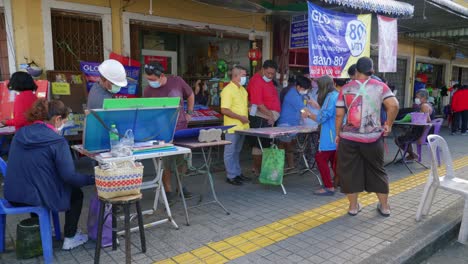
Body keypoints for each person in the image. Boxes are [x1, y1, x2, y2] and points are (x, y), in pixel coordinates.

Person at [4, 99, 94, 250]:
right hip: (36, 196)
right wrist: (92, 179)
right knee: (76, 194)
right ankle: (70, 237)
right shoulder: (57, 141)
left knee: (37, 185)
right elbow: (69, 177)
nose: (64, 124)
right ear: (57, 119)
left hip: (13, 195)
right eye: (65, 120)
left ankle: (42, 227)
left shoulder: (21, 134)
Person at [335, 57, 399, 217]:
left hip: (349, 138)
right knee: (377, 171)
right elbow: (394, 105)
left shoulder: (345, 88)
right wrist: (388, 124)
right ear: (372, 71)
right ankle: (384, 207)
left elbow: (338, 114)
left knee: (349, 172)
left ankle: (353, 207)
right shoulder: (380, 87)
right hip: (373, 138)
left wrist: (337, 134)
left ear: (356, 71)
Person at [143, 61, 195, 202]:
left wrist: (189, 112)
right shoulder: (148, 91)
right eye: (148, 79)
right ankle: (168, 189)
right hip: (161, 132)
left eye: (153, 79)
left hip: (180, 128)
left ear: (162, 75)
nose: (150, 82)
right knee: (165, 162)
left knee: (182, 160)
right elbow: (146, 112)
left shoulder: (177, 81)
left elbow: (190, 95)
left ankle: (181, 186)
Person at [303, 75, 339, 195]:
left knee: (321, 158)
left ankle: (329, 187)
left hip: (329, 134)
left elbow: (322, 117)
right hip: (336, 133)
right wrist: (318, 106)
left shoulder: (329, 97)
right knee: (334, 160)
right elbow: (330, 111)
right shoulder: (336, 94)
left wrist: (308, 114)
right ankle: (339, 182)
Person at [246, 60, 281, 176]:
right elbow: (259, 104)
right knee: (259, 145)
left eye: (272, 74)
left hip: (268, 116)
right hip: (261, 117)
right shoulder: (256, 81)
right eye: (268, 73)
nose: (270, 76)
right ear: (262, 69)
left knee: (266, 144)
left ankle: (261, 169)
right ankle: (257, 170)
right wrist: (270, 115)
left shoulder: (268, 80)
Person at [221, 66, 250, 185]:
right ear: (236, 76)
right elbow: (224, 110)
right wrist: (240, 118)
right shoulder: (228, 90)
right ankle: (231, 176)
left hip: (243, 127)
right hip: (232, 127)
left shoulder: (243, 90)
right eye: (243, 75)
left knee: (237, 151)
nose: (245, 77)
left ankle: (237, 173)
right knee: (230, 152)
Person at [277, 76, 311, 169]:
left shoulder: (299, 93)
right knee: (284, 145)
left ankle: (291, 166)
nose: (305, 91)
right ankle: (278, 168)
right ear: (298, 87)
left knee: (290, 146)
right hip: (286, 124)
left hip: (294, 124)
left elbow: (305, 105)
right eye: (304, 89)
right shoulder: (293, 95)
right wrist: (316, 117)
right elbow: (304, 111)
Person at [395, 89, 434, 161]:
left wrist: (422, 137)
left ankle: (412, 155)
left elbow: (428, 122)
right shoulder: (428, 105)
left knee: (398, 140)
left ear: (424, 98)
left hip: (420, 133)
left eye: (418, 97)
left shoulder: (424, 106)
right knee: (405, 136)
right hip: (418, 131)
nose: (416, 99)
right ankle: (411, 155)